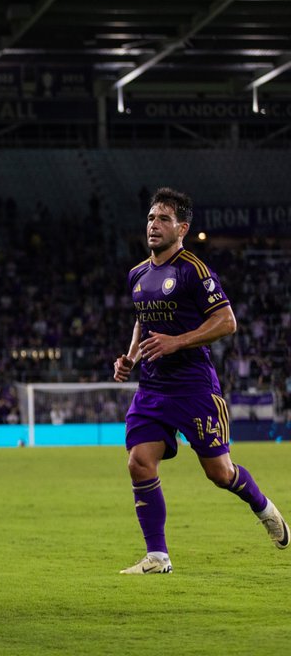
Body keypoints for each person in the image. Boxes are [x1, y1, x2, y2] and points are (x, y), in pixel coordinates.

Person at [113, 187, 287, 574]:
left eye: (163, 219)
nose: (153, 226)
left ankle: (264, 508)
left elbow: (227, 322)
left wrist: (178, 341)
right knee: (139, 462)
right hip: (153, 388)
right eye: (150, 218)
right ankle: (157, 557)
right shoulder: (137, 275)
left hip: (194, 387)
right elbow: (143, 319)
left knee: (219, 473)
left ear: (182, 228)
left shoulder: (194, 270)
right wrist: (131, 357)